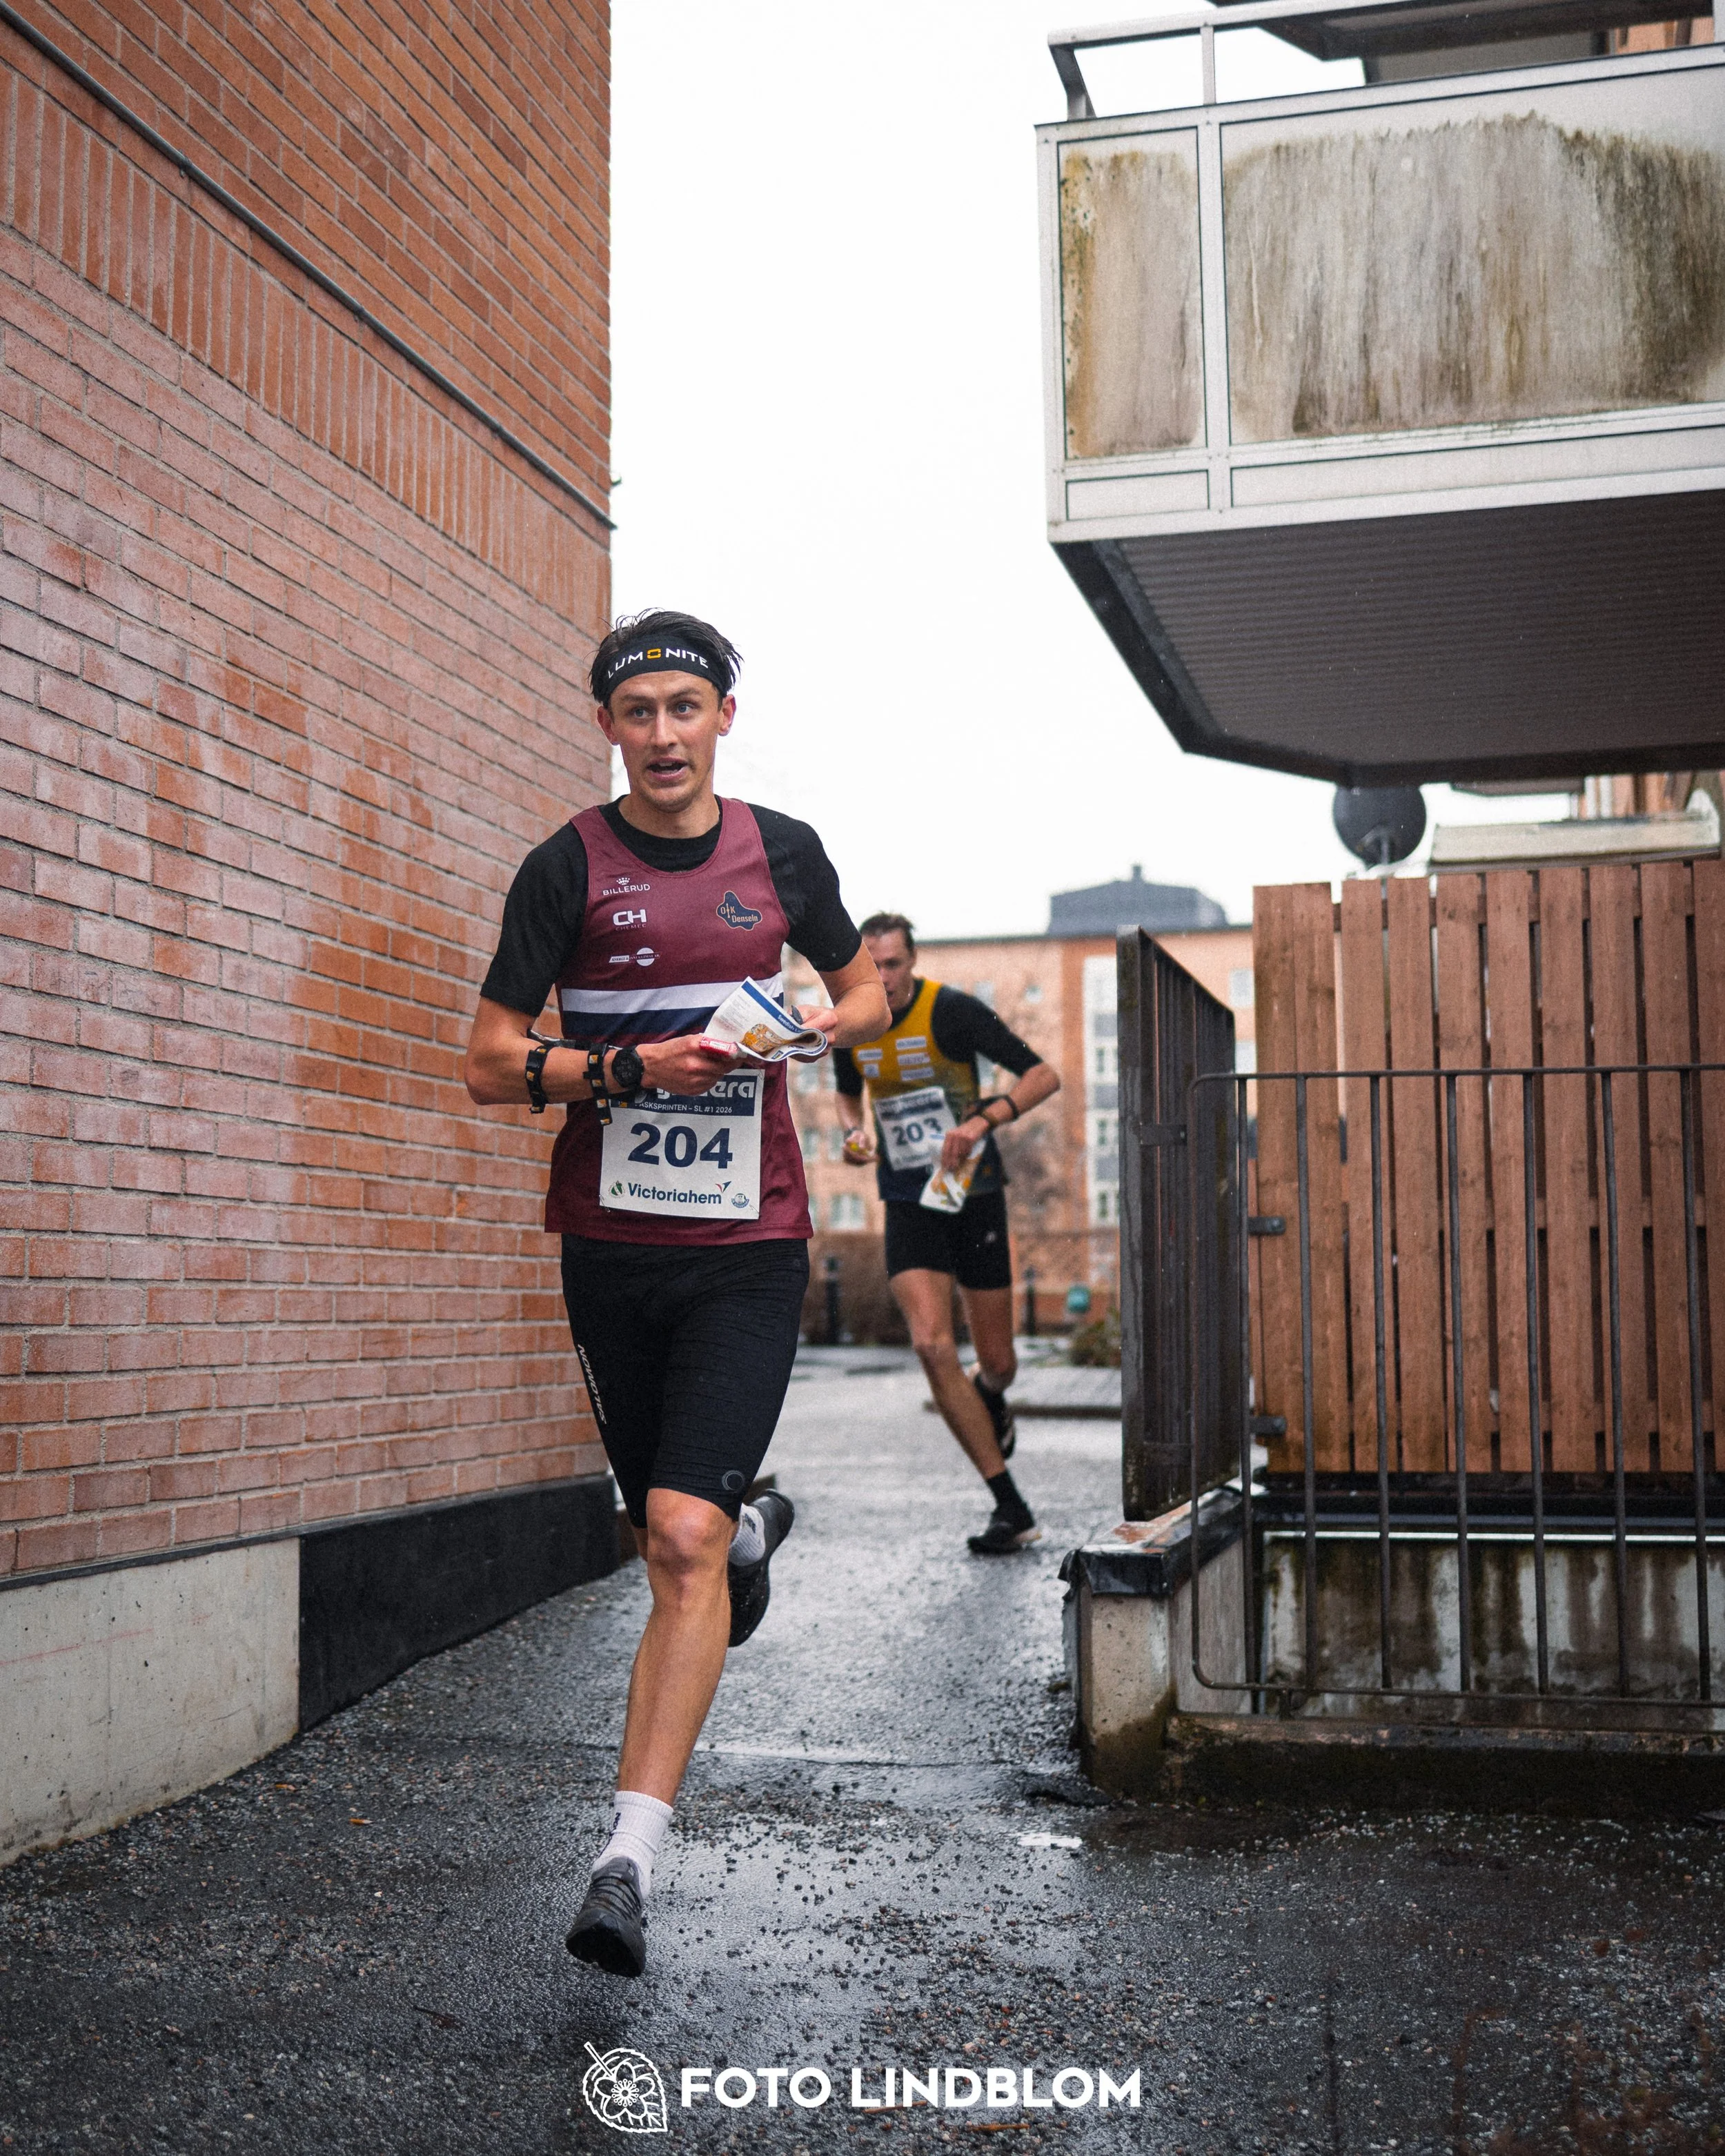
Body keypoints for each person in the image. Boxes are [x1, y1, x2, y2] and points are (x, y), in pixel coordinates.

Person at [463, 610, 887, 1981]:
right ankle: (749, 1522)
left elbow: (868, 985)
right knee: (663, 1532)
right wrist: (633, 1071)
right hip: (610, 1242)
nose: (660, 734)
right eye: (636, 710)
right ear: (608, 725)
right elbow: (485, 1059)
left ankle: (625, 1857)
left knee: (681, 1537)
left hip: (748, 1243)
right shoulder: (563, 867)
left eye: (682, 709)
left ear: (721, 717)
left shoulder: (786, 852)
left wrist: (821, 1022)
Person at [834, 913, 1060, 1554]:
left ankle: (991, 1395)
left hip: (974, 1194)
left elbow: (1044, 1075)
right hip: (908, 1197)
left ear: (913, 961)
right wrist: (855, 1136)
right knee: (932, 1345)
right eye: (871, 965)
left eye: (894, 964)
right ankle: (1009, 1505)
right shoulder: (853, 1021)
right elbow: (850, 1096)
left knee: (999, 1362)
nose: (883, 977)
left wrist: (982, 1122)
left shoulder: (953, 1012)